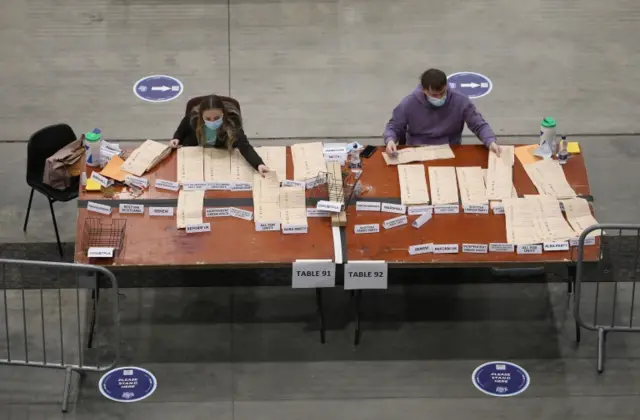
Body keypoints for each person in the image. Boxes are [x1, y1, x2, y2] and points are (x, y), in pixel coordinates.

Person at [384, 68, 501, 156]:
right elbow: (394, 126)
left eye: (442, 92)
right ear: (424, 90)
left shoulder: (460, 101)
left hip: (450, 149)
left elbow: (478, 124)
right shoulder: (409, 103)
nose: (439, 97)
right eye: (434, 95)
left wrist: (490, 141)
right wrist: (390, 140)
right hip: (418, 149)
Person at [169, 95, 270, 176]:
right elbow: (181, 130)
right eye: (208, 119)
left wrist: (258, 164)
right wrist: (176, 138)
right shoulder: (193, 117)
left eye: (217, 117)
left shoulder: (232, 123)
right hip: (197, 157)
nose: (212, 121)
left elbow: (245, 147)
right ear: (201, 116)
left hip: (222, 157)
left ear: (224, 114)